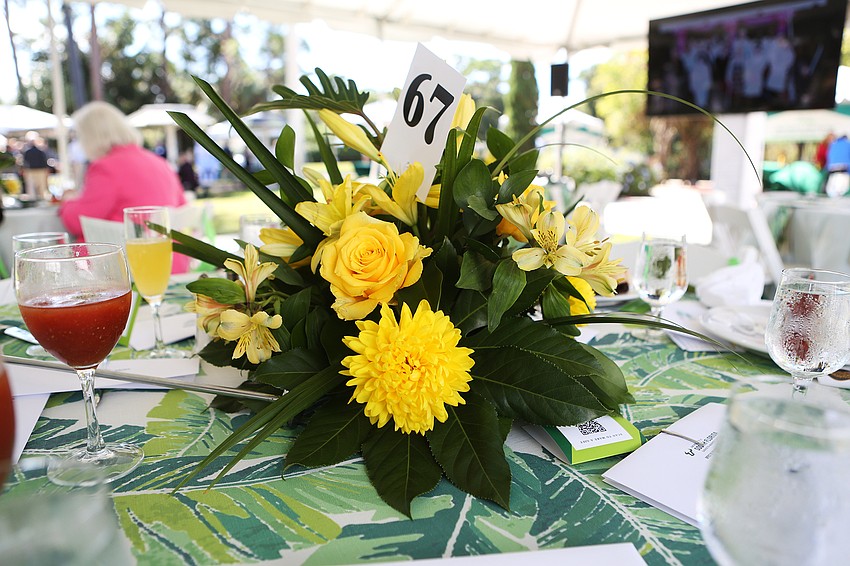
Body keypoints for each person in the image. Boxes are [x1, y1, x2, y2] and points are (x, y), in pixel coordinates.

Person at [59, 101, 189, 273]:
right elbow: (182, 207)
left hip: (129, 266)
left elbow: (77, 221)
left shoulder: (105, 167)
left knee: (59, 247)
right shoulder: (159, 162)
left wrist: (67, 201)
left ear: (90, 137)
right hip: (172, 260)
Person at [21, 131, 51, 200]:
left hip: (33, 170)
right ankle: (41, 198)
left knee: (32, 187)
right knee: (41, 187)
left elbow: (25, 162)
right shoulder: (40, 152)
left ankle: (33, 198)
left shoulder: (28, 152)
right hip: (38, 170)